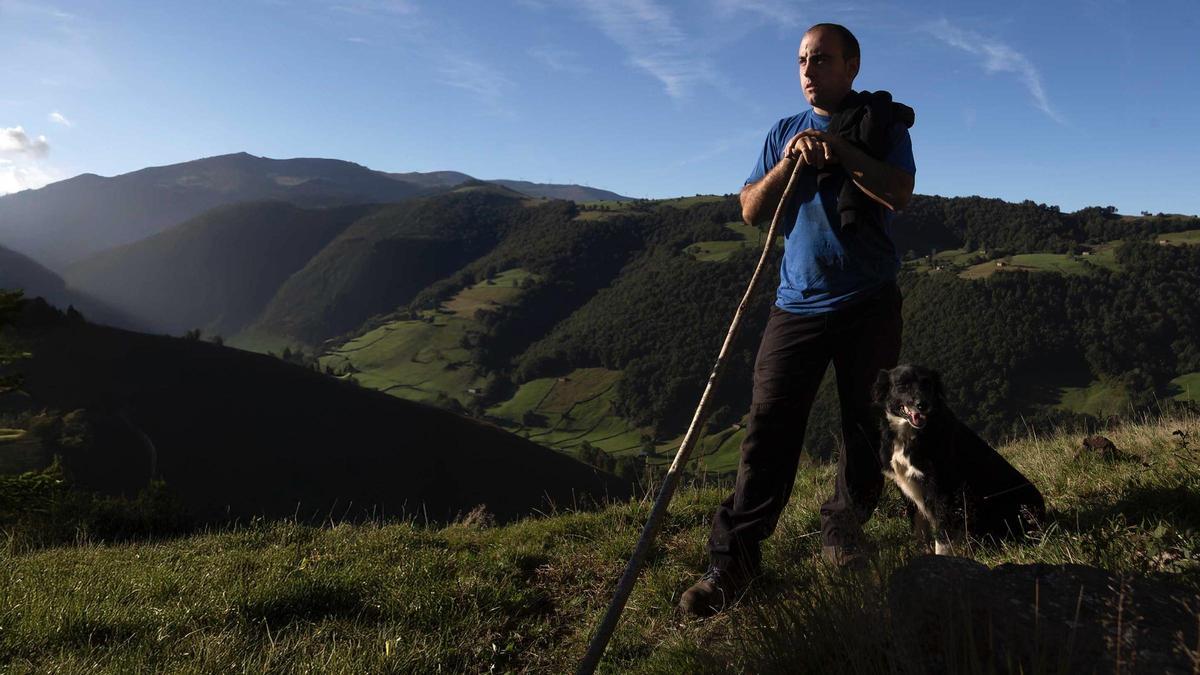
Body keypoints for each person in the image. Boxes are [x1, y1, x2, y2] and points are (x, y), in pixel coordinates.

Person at [679, 22, 916, 617]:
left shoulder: (882, 125)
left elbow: (900, 193)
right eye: (802, 60)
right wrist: (789, 166)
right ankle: (733, 563)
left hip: (869, 300)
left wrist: (841, 152)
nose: (809, 70)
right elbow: (751, 211)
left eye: (823, 60)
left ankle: (843, 530)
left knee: (863, 425)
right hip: (797, 305)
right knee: (769, 426)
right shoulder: (783, 132)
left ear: (853, 66)